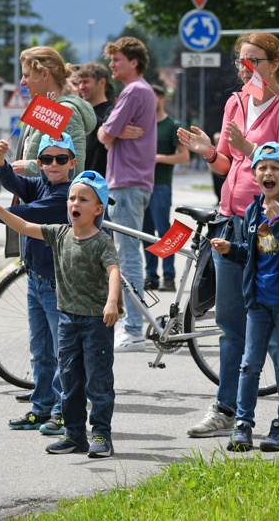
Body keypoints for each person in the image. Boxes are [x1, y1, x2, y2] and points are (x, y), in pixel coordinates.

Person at [177, 32, 279, 442]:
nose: (245, 67)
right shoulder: (235, 102)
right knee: (230, 323)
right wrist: (208, 151)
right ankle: (227, 408)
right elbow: (225, 164)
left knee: (271, 326)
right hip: (229, 219)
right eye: (241, 60)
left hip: (268, 223)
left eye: (254, 60)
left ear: (275, 64)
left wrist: (250, 145)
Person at [0, 170, 120, 458]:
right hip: (67, 321)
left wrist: (112, 301)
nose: (74, 203)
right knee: (69, 381)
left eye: (83, 199)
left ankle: (102, 435)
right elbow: (24, 225)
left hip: (96, 323)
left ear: (98, 209)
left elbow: (114, 271)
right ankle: (75, 435)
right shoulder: (59, 233)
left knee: (98, 383)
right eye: (71, 198)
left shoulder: (102, 240)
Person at [210, 143, 279, 453]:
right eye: (262, 168)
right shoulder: (253, 210)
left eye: (275, 168)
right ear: (254, 174)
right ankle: (243, 424)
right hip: (258, 301)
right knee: (249, 364)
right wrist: (232, 250)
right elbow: (254, 253)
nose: (268, 173)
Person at [0, 133, 75, 434]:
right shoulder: (41, 184)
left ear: (72, 162)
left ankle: (63, 412)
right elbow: (16, 185)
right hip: (35, 278)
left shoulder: (66, 195)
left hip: (58, 282)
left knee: (62, 352)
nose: (53, 165)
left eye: (60, 159)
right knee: (40, 350)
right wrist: (1, 161)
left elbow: (26, 214)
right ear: (40, 163)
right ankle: (42, 407)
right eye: (46, 159)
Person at [97, 37, 157, 352]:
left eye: (117, 59)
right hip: (134, 181)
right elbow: (108, 132)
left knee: (127, 256)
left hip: (126, 181)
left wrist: (112, 131)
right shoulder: (143, 91)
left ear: (133, 62)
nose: (112, 65)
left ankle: (133, 328)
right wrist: (114, 131)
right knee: (127, 253)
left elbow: (103, 134)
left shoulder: (133, 91)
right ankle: (131, 324)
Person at [13, 47, 96, 177]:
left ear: (45, 74)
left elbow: (76, 168)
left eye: (26, 75)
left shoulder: (65, 112)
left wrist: (29, 167)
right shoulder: (40, 109)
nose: (22, 82)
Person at [141, 84, 188, 292]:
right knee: (145, 231)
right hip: (141, 184)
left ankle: (169, 277)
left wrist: (159, 158)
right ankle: (151, 276)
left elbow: (184, 156)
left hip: (161, 185)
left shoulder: (172, 125)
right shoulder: (143, 124)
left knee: (164, 230)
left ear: (161, 101)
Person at [73, 62, 115, 176]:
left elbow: (107, 134)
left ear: (102, 82)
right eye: (79, 82)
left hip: (101, 183)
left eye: (86, 82)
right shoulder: (79, 113)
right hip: (78, 182)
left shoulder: (113, 111)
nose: (81, 87)